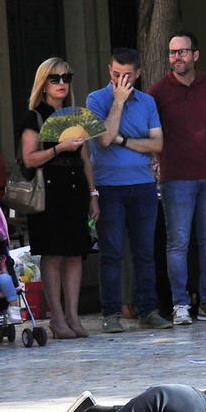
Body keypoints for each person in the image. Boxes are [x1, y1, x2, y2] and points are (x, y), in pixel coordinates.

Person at [151, 29, 206, 324]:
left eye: (183, 51)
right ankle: (180, 304)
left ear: (195, 55)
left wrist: (205, 152)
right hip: (175, 177)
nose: (177, 57)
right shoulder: (158, 91)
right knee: (178, 243)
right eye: (173, 52)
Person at [84, 48, 168, 332]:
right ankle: (111, 314)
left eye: (128, 75)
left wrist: (124, 140)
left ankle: (148, 310)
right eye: (116, 74)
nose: (122, 80)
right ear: (110, 71)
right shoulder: (96, 100)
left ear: (139, 73)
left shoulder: (148, 102)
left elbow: (157, 144)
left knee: (145, 252)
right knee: (112, 253)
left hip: (143, 185)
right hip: (109, 187)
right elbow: (104, 139)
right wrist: (118, 102)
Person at [18, 56, 96, 340]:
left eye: (66, 77)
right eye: (55, 78)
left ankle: (73, 315)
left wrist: (93, 194)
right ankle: (57, 317)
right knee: (52, 255)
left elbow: (86, 159)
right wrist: (59, 148)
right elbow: (28, 158)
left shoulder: (76, 114)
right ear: (44, 83)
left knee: (75, 253)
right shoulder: (34, 115)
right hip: (48, 189)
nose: (61, 83)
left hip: (75, 188)